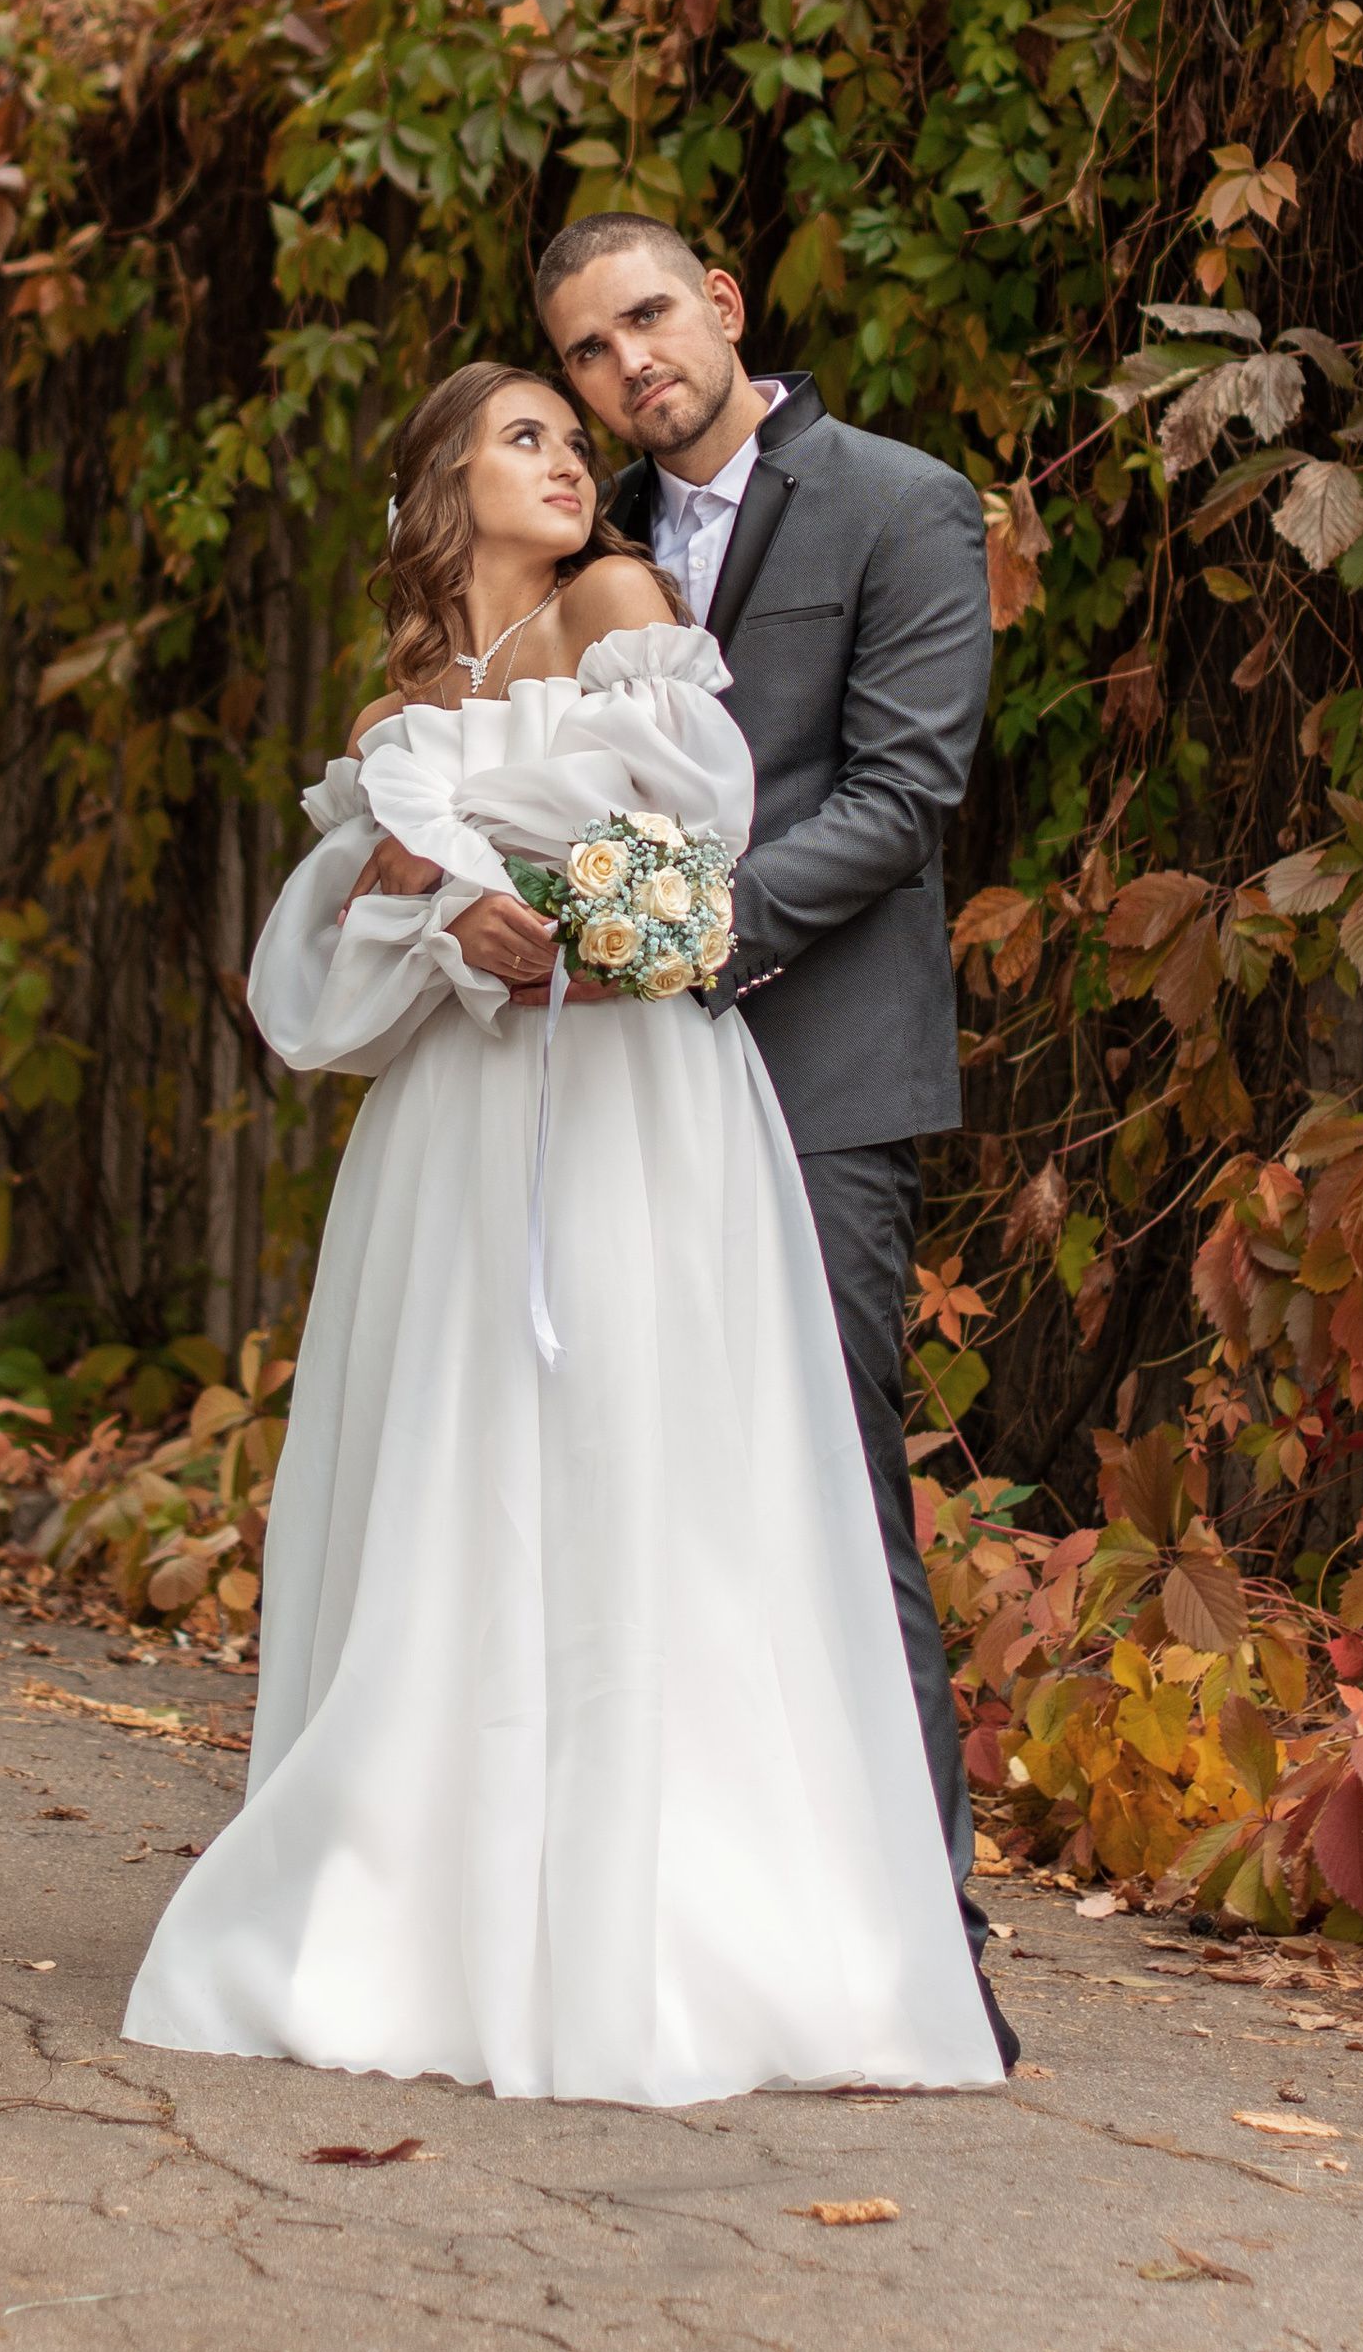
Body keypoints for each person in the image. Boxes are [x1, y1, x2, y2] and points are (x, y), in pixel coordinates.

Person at [121, 360, 999, 2106]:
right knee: (450, 1491)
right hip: (455, 1132)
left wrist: (475, 876)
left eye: (573, 440)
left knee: (641, 1480)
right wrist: (450, 923)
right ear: (441, 474)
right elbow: (318, 991)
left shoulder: (621, 606)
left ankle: (659, 1923)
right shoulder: (391, 709)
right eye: (527, 433)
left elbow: (694, 832)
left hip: (633, 1109)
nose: (569, 458)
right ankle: (426, 1904)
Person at [538, 215, 1012, 2063]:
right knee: (644, 1489)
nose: (627, 365)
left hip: (815, 1076)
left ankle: (924, 1938)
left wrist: (682, 934)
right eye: (586, 350)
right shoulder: (592, 549)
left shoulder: (903, 502)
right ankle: (682, 1921)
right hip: (623, 1094)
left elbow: (906, 789)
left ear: (722, 309)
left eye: (647, 319)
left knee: (832, 1489)